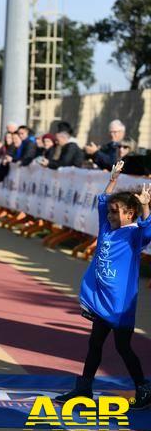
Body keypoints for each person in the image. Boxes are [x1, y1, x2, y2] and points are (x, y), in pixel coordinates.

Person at [55, 161, 151, 409]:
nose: (110, 215)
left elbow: (147, 229)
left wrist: (145, 206)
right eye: (109, 212)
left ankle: (143, 387)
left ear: (130, 213)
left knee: (123, 347)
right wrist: (113, 179)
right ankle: (84, 388)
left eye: (115, 212)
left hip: (119, 305)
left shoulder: (134, 234)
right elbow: (102, 200)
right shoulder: (107, 228)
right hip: (101, 301)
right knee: (94, 344)